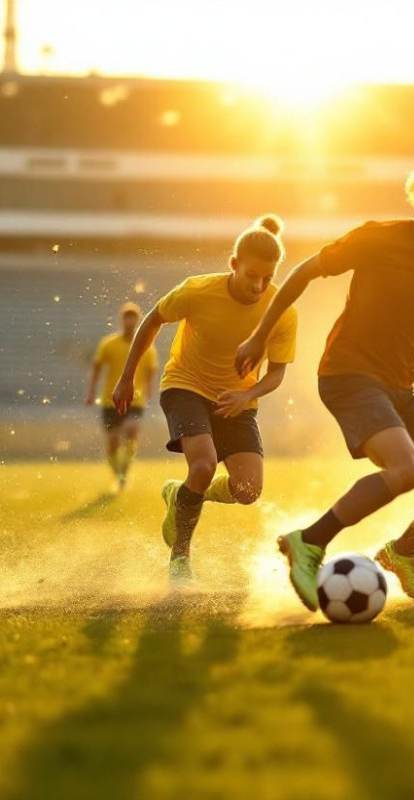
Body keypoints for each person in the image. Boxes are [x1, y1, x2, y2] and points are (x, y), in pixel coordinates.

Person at [234, 153, 414, 609]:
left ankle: (402, 552)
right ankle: (308, 542)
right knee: (406, 470)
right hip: (347, 374)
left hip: (399, 386)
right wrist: (259, 335)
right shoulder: (375, 239)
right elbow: (303, 273)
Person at [113, 216, 297, 585]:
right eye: (251, 276)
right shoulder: (197, 291)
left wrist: (247, 393)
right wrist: (127, 375)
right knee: (203, 466)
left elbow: (277, 372)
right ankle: (180, 556)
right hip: (187, 386)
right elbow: (152, 322)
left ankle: (180, 496)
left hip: (236, 400)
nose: (259, 286)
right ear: (233, 264)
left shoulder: (282, 310)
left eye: (267, 277)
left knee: (248, 491)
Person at [86, 302, 154, 491]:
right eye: (127, 317)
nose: (130, 321)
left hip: (135, 398)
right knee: (113, 441)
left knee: (132, 429)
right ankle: (119, 474)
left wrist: (149, 390)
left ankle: (125, 468)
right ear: (122, 320)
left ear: (138, 320)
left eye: (134, 318)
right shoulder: (108, 344)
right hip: (111, 399)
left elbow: (151, 369)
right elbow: (97, 367)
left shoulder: (145, 345)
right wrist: (91, 392)